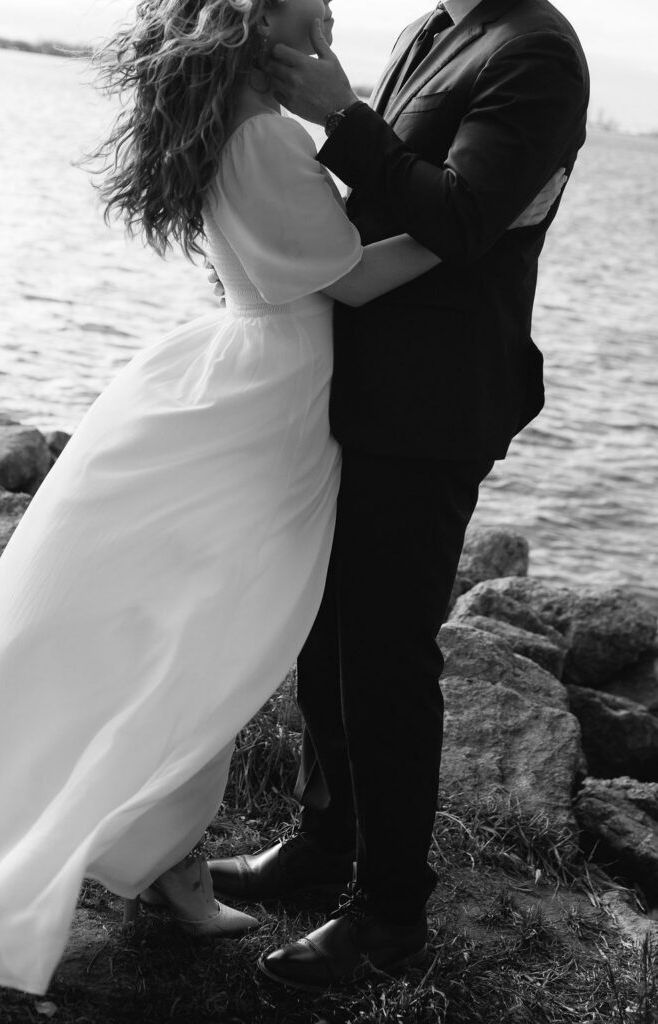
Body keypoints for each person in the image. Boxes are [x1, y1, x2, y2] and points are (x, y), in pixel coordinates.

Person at [0, 0, 560, 999]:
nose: (332, 18)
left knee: (235, 634)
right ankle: (201, 856)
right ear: (257, 20)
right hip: (276, 396)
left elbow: (342, 227)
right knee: (223, 637)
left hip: (282, 385)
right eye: (313, 4)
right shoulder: (275, 132)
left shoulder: (508, 55)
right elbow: (353, 273)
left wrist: (406, 179)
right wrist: (494, 221)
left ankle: (233, 872)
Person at [208, 0, 590, 992]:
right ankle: (322, 842)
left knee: (382, 653)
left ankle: (387, 916)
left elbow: (461, 218)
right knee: (323, 633)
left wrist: (342, 118)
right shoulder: (429, 30)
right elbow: (392, 198)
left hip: (432, 403)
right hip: (351, 380)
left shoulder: (535, 52)